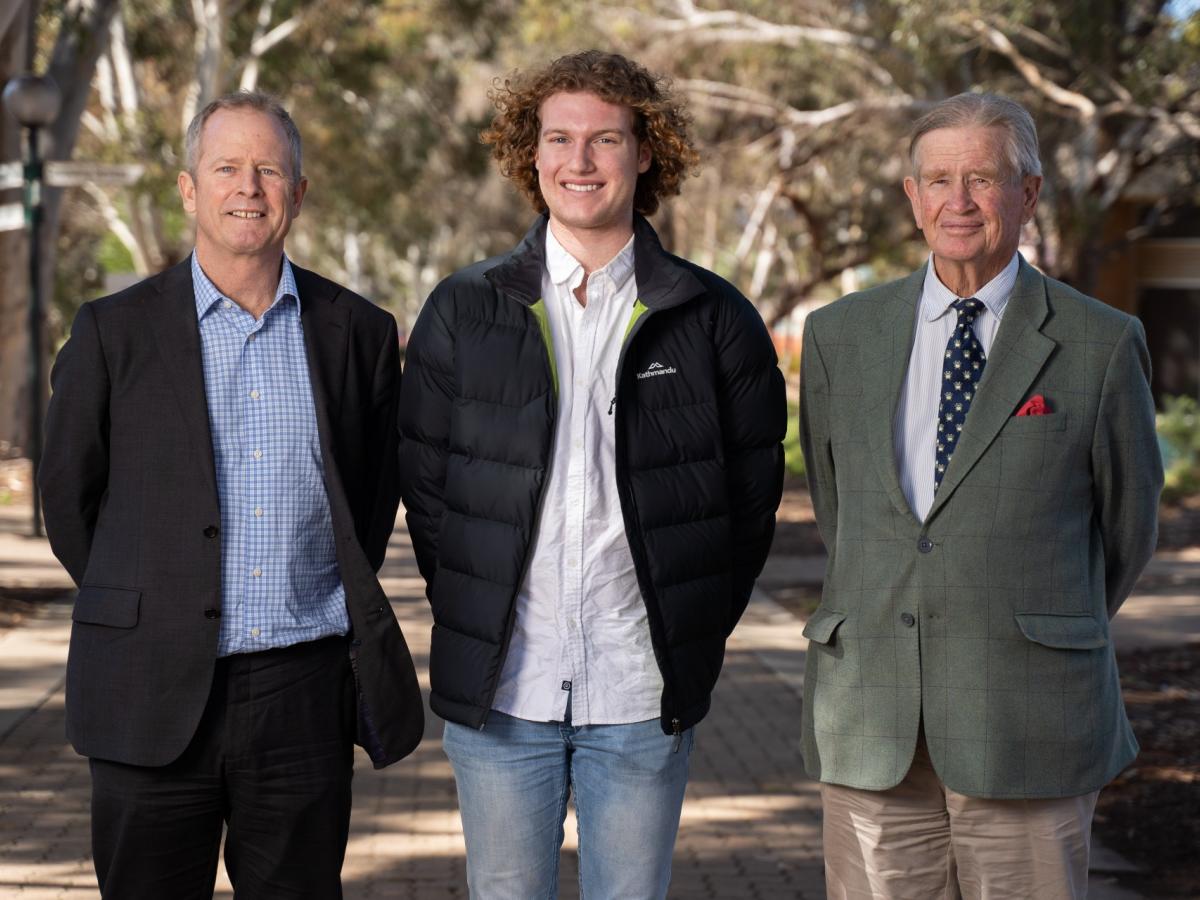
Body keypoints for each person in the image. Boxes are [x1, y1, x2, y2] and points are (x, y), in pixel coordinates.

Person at [398, 50, 785, 898]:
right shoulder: (464, 311)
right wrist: (478, 605)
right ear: (529, 154)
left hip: (642, 692)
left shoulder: (713, 318)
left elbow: (749, 508)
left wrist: (688, 625)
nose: (580, 162)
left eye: (605, 139)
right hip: (504, 691)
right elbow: (428, 498)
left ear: (646, 153)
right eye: (559, 138)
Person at [39, 91, 423, 899]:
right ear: (189, 189)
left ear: (298, 192)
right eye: (226, 168)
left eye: (268, 169)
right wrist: (154, 602)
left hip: (302, 698)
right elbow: (72, 504)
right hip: (149, 691)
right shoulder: (113, 333)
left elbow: (371, 498)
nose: (248, 186)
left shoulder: (356, 332)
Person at [799, 91, 1163, 899]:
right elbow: (843, 511)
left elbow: (1128, 528)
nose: (957, 201)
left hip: (1029, 720)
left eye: (981, 179)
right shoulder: (838, 335)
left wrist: (1037, 625)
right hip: (873, 718)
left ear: (1027, 194)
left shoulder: (1100, 344)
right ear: (912, 196)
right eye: (936, 179)